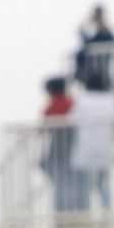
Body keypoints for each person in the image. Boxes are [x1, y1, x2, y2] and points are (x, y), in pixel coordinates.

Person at [71, 66, 114, 211]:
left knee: (84, 183)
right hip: (104, 144)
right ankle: (106, 209)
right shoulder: (109, 99)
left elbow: (72, 119)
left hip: (86, 144)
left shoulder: (83, 100)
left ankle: (84, 210)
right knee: (104, 181)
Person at [39, 75, 82, 212]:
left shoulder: (52, 106)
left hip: (59, 144)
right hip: (73, 143)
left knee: (49, 166)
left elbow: (44, 126)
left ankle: (63, 204)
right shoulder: (72, 102)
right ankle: (72, 204)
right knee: (69, 175)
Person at [74, 5, 114, 90]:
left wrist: (103, 26)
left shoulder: (105, 31)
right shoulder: (95, 33)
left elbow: (112, 39)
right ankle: (80, 75)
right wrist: (87, 22)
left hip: (101, 67)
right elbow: (85, 39)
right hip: (90, 68)